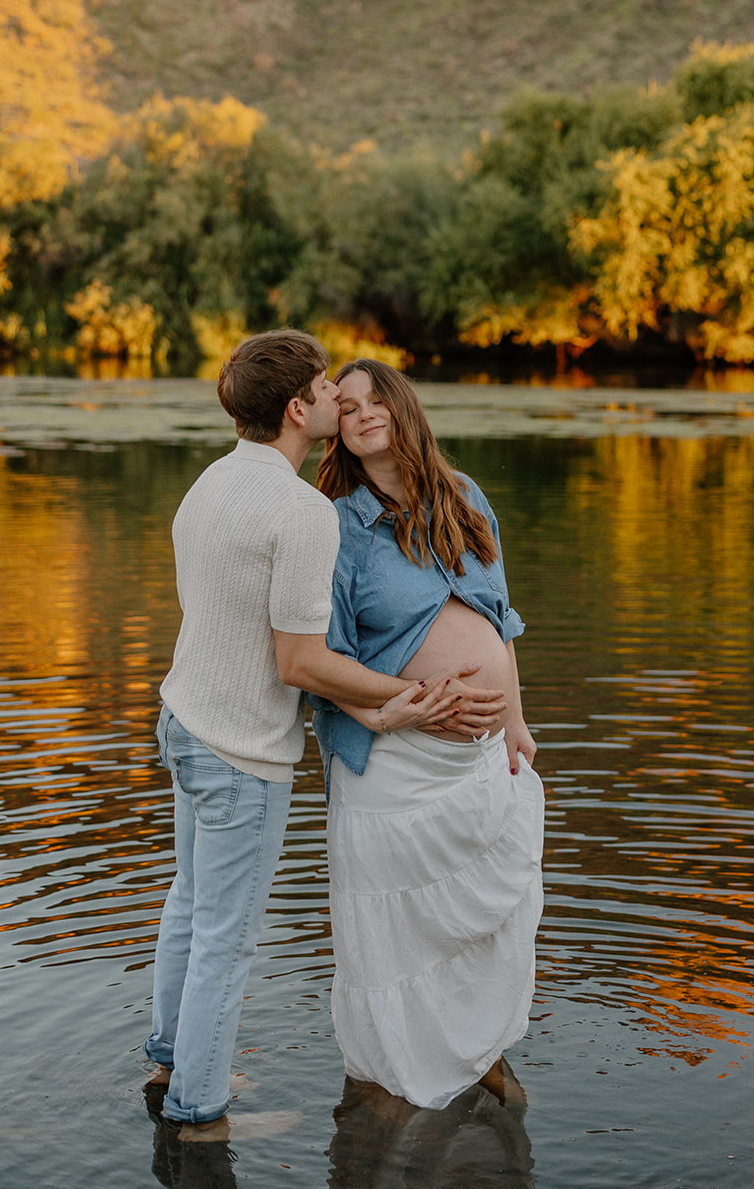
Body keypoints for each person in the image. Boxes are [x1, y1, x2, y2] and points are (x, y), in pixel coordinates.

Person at [144, 331, 505, 1136]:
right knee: (226, 941)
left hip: (183, 724)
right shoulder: (303, 512)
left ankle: (172, 1056)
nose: (343, 398)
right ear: (298, 408)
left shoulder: (211, 481)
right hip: (239, 754)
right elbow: (303, 663)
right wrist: (416, 694)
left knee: (189, 906)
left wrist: (383, 707)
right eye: (326, 388)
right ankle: (199, 1109)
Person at [310, 359, 546, 1111]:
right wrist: (411, 705)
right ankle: (389, 1085)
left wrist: (513, 714)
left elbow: (499, 617)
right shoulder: (334, 522)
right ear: (336, 429)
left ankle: (472, 1054)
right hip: (395, 762)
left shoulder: (463, 494)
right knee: (397, 934)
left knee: (482, 922)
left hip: (477, 761)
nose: (364, 413)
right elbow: (324, 660)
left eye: (377, 398)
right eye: (346, 406)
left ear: (403, 407)